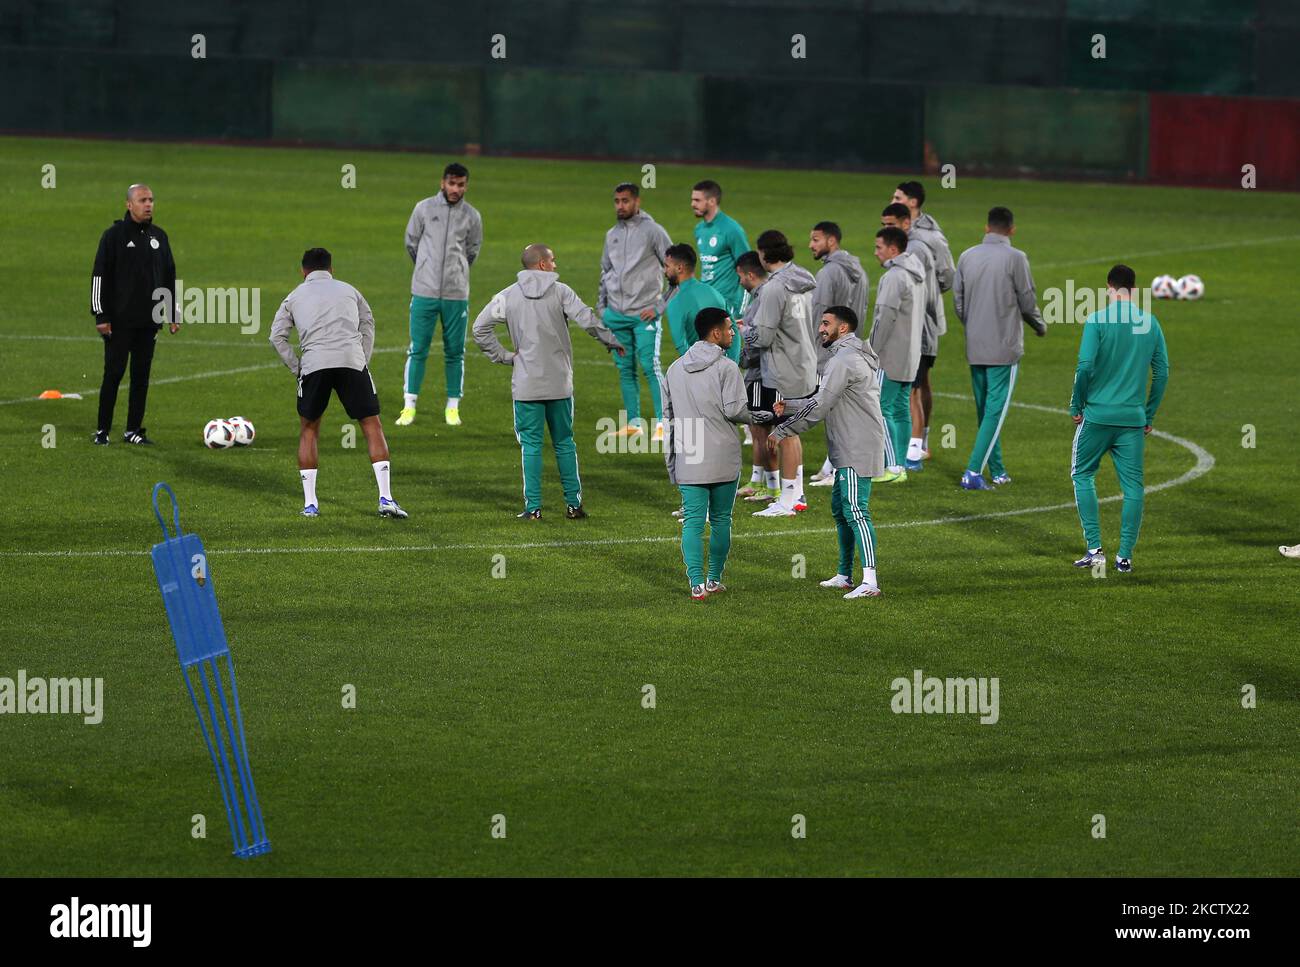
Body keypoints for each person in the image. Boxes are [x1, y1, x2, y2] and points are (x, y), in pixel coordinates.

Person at [473, 244, 625, 519]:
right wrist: (611, 341)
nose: (556, 265)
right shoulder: (561, 291)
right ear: (542, 264)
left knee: (531, 446)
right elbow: (587, 319)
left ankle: (533, 509)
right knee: (565, 442)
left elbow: (479, 328)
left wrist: (505, 356)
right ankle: (573, 505)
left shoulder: (507, 296)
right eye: (553, 260)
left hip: (526, 383)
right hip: (559, 383)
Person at [270, 248, 406, 519]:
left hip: (314, 366)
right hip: (351, 362)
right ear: (331, 270)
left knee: (309, 428)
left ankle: (311, 504)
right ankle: (386, 498)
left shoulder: (295, 295)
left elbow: (276, 336)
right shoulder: (349, 290)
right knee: (371, 425)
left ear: (303, 271)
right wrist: (361, 359)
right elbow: (368, 323)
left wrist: (298, 368)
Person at [770, 306, 886, 599]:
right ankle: (845, 575)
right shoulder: (846, 356)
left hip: (856, 446)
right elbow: (825, 398)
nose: (820, 328)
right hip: (850, 444)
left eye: (826, 323)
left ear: (843, 328)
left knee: (857, 511)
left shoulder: (844, 360)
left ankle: (870, 581)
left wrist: (783, 429)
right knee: (841, 511)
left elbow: (821, 407)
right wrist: (793, 406)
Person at [662, 307, 772, 600]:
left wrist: (671, 458)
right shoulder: (727, 368)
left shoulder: (674, 369)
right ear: (715, 333)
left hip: (690, 450)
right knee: (722, 519)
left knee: (694, 521)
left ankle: (696, 583)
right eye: (729, 328)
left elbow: (668, 417)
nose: (733, 333)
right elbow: (735, 409)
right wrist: (761, 416)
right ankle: (714, 580)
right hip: (722, 452)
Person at [1069, 264, 1168, 573]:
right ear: (1134, 291)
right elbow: (1162, 373)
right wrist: (1148, 413)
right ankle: (1124, 557)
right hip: (1132, 420)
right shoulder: (1149, 323)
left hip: (1097, 415)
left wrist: (1077, 405)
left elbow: (1084, 366)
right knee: (1134, 487)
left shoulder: (1097, 320)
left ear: (1108, 288)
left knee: (1082, 474)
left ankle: (1095, 550)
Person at [952, 206, 1047, 490]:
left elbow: (958, 300)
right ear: (1012, 230)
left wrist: (973, 325)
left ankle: (998, 469)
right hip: (1004, 347)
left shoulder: (967, 256)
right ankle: (972, 471)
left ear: (986, 227)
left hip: (975, 344)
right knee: (995, 411)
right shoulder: (1016, 258)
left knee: (985, 409)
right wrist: (1039, 325)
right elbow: (1027, 300)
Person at [90, 183, 179, 445]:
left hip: (149, 322)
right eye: (142, 200)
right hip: (119, 322)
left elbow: (169, 277)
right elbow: (99, 276)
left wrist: (173, 311)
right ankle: (102, 430)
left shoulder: (159, 237)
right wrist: (100, 315)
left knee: (141, 377)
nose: (148, 204)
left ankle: (133, 431)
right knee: (114, 374)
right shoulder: (113, 236)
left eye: (151, 199)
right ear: (129, 205)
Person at [397, 162, 483, 427]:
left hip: (456, 294)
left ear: (466, 186)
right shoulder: (423, 208)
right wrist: (426, 270)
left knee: (455, 351)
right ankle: (409, 406)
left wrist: (454, 274)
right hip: (424, 291)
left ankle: (452, 407)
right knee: (418, 349)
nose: (456, 189)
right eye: (451, 183)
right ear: (442, 183)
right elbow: (411, 243)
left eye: (461, 184)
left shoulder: (472, 216)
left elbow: (472, 251)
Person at [746, 230, 818, 517]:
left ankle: (787, 502)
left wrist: (742, 332)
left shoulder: (774, 288)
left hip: (783, 370)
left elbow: (763, 337)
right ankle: (796, 495)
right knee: (793, 432)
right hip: (804, 364)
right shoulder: (803, 279)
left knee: (785, 433)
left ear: (764, 254)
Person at [596, 182, 672, 440]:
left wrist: (659, 306)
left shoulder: (654, 231)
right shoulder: (611, 235)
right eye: (617, 201)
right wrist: (602, 309)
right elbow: (605, 272)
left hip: (644, 314)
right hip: (616, 315)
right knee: (625, 369)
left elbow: (675, 269)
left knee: (650, 366)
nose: (620, 206)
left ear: (637, 202)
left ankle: (663, 423)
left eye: (625, 201)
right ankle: (634, 423)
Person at [880, 203, 946, 472]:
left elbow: (885, 317)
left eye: (890, 225)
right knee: (907, 399)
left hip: (908, 340)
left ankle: (897, 461)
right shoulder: (914, 262)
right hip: (918, 338)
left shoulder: (906, 262)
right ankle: (909, 456)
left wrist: (872, 349)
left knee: (895, 402)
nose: (885, 231)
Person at [893, 181, 954, 465]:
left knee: (915, 382)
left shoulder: (930, 237)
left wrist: (924, 295)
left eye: (898, 197)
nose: (892, 200)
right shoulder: (900, 230)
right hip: (912, 319)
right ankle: (920, 440)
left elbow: (948, 275)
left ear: (913, 203)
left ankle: (917, 443)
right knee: (920, 380)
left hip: (923, 321)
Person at [807, 221, 868, 487]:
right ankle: (831, 465)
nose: (811, 245)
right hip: (853, 347)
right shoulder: (860, 272)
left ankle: (838, 469)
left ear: (831, 242)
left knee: (832, 411)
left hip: (830, 352)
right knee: (842, 411)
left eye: (816, 240)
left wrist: (813, 350)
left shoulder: (827, 275)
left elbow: (818, 317)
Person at [868, 227, 925, 483]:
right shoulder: (916, 273)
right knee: (901, 409)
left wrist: (871, 349)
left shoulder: (894, 277)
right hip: (911, 353)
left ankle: (891, 467)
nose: (875, 252)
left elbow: (885, 317)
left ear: (893, 249)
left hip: (890, 354)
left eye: (879, 247)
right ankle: (900, 465)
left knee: (880, 409)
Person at [734, 251, 778, 502]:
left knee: (762, 431)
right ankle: (758, 481)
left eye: (740, 276)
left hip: (760, 373)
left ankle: (771, 488)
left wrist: (741, 355)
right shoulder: (763, 297)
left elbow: (758, 341)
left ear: (750, 274)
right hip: (762, 371)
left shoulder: (763, 300)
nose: (739, 281)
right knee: (758, 429)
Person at [690, 180, 750, 320]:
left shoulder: (731, 229)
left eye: (697, 200)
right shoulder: (699, 229)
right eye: (692, 200)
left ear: (712, 201)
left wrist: (741, 310)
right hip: (706, 303)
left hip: (727, 305)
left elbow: (749, 269)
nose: (693, 204)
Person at [663, 244, 733, 360]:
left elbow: (681, 345)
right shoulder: (715, 293)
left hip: (699, 368)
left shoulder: (675, 303)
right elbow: (733, 330)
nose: (665, 271)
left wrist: (697, 370)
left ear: (680, 268)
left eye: (667, 266)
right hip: (723, 366)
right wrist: (732, 363)